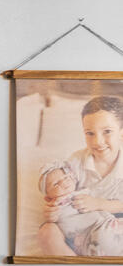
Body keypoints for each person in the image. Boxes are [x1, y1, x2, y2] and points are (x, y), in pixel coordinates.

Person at [38, 94, 123, 256]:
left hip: (115, 225)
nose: (97, 141)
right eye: (89, 133)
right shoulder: (76, 162)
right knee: (46, 232)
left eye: (107, 131)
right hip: (81, 228)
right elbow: (61, 192)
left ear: (122, 133)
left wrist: (99, 203)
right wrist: (52, 210)